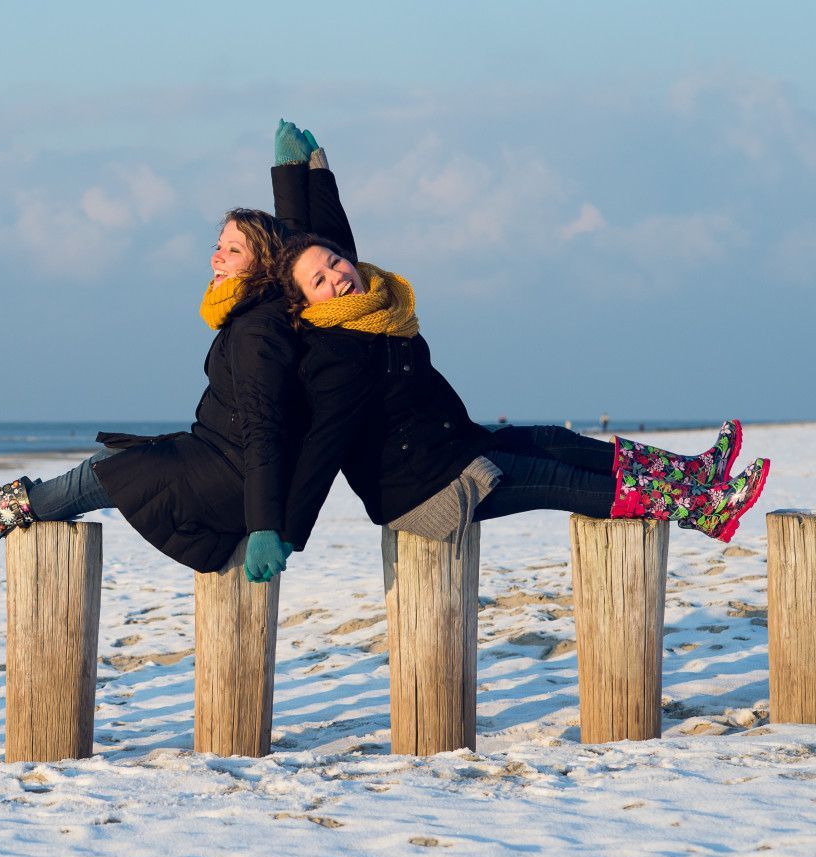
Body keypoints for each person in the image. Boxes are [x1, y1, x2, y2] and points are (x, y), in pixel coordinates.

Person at [252, 127, 769, 571]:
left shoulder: (375, 310)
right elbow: (325, 443)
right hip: (427, 488)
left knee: (553, 440)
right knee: (558, 479)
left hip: (456, 446)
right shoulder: (336, 354)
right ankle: (705, 509)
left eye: (335, 265)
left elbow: (319, 241)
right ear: (307, 303)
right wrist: (285, 532)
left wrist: (304, 170)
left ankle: (693, 474)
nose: (336, 278)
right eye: (319, 281)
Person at [0, 134, 356, 575]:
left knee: (110, 472)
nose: (217, 257)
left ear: (262, 263)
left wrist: (264, 528)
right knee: (108, 466)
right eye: (218, 246)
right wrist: (293, 169)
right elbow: (299, 238)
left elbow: (263, 431)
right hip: (215, 456)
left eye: (233, 250)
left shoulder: (260, 328)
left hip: (232, 479)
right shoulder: (261, 303)